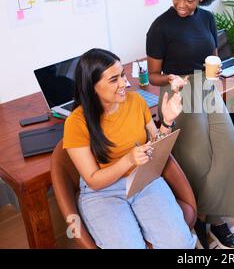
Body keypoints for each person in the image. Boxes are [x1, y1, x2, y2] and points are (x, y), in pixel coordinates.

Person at [145, 0, 234, 249]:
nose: (182, 5)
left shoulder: (208, 19)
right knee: (197, 158)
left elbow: (211, 54)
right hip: (177, 89)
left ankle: (217, 218)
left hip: (207, 86)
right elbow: (152, 76)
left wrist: (217, 68)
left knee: (228, 148)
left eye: (190, 0)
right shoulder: (159, 27)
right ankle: (198, 217)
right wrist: (172, 79)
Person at [63, 48, 196, 249]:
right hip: (103, 192)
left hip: (143, 179)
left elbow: (157, 146)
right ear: (92, 86)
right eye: (113, 79)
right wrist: (128, 160)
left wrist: (166, 122)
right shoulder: (76, 122)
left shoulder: (136, 101)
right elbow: (93, 180)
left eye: (123, 75)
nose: (125, 83)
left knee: (179, 244)